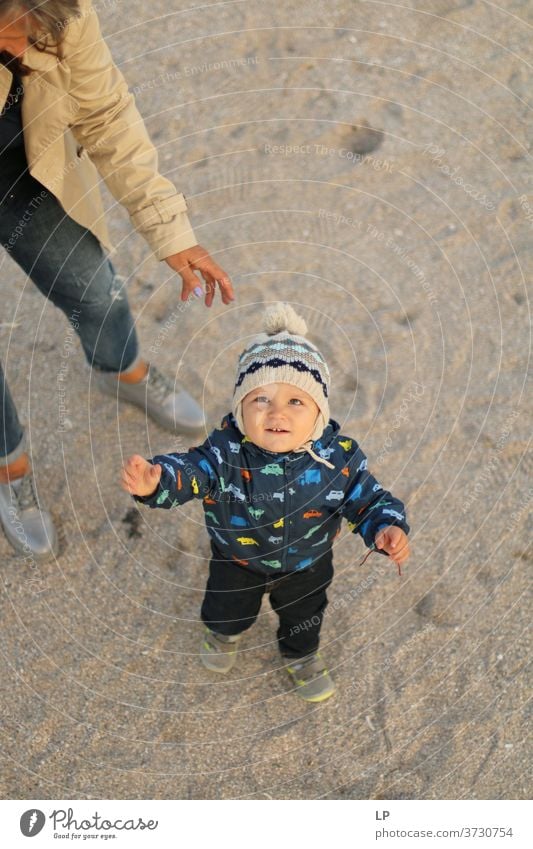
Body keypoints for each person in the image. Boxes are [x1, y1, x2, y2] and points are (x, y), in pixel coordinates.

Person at [0, 0, 234, 559]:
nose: (22, 48)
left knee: (94, 285)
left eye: (32, 36)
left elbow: (105, 115)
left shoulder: (65, 13)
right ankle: (12, 466)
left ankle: (121, 372)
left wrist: (171, 233)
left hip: (18, 170)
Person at [122, 303, 411, 703]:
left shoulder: (339, 458)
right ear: (240, 407)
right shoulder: (225, 452)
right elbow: (192, 471)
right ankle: (224, 634)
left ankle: (301, 655)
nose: (277, 412)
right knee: (226, 607)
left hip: (307, 565)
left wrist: (385, 526)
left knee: (304, 618)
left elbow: (368, 499)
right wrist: (157, 481)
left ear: (319, 413)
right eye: (261, 399)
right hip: (236, 558)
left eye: (296, 401)